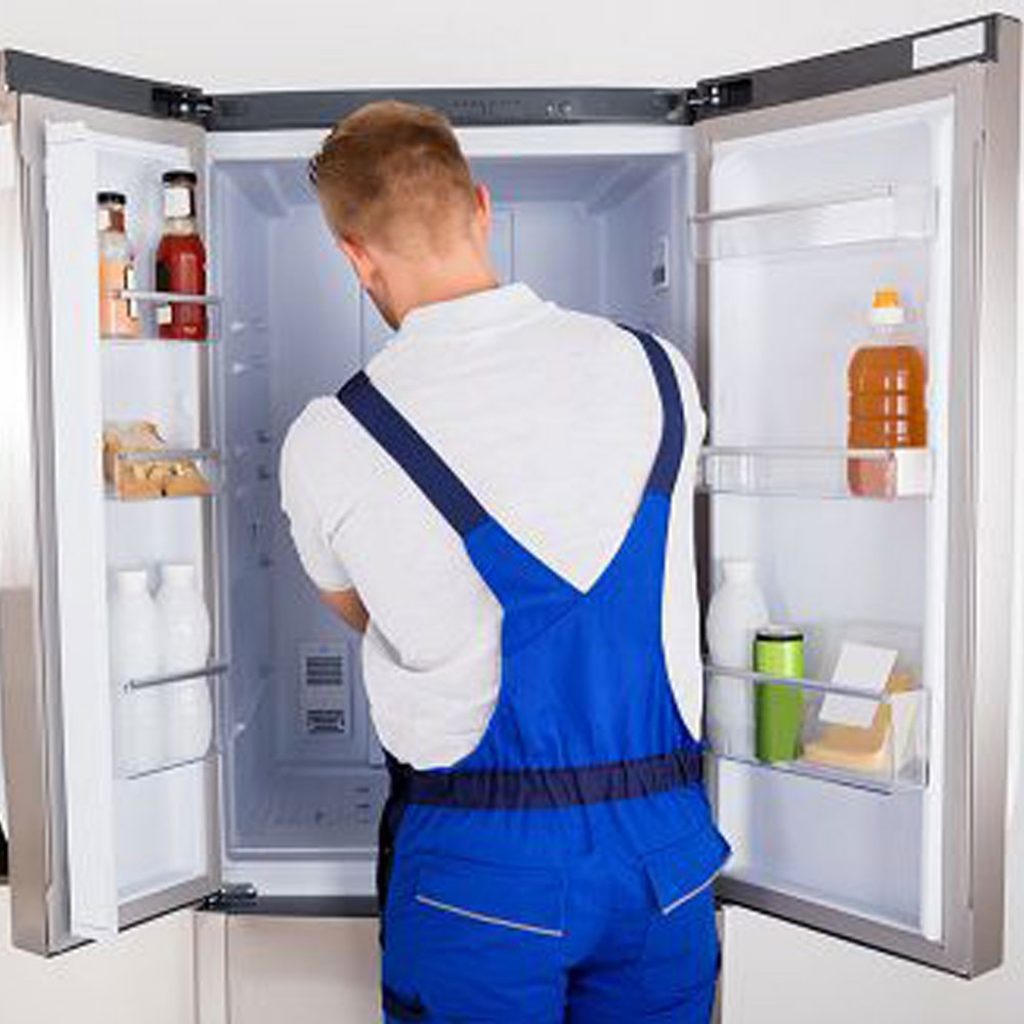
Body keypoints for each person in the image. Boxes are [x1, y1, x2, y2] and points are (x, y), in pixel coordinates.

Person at [282, 100, 730, 1024]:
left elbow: (363, 608)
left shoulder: (332, 436)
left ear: (356, 257)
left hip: (483, 871)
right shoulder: (660, 372)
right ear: (481, 208)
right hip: (662, 856)